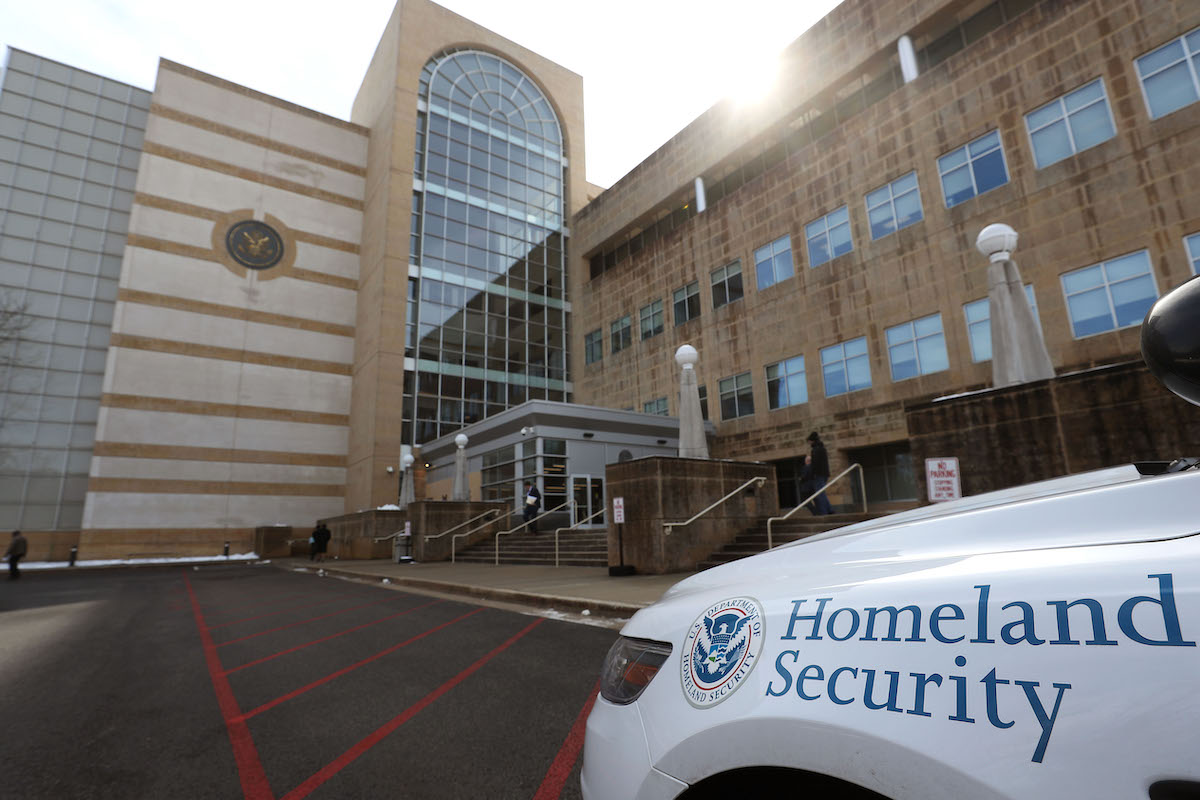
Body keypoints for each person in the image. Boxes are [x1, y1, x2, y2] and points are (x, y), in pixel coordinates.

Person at [807, 431, 835, 516]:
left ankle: (825, 511)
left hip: (818, 475)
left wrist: (812, 474)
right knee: (821, 493)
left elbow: (815, 464)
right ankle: (828, 509)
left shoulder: (816, 450)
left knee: (820, 494)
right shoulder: (821, 448)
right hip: (823, 474)